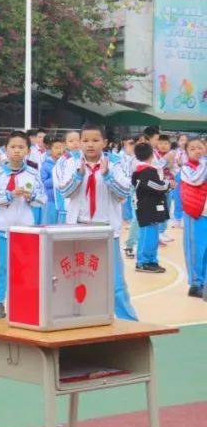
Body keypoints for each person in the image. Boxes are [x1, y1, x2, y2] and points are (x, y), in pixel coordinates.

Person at [55, 124, 137, 320]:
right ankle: (82, 320)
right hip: (78, 228)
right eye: (85, 140)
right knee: (78, 277)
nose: (90, 145)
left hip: (106, 230)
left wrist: (108, 175)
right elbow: (65, 192)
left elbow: (124, 193)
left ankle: (129, 323)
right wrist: (79, 175)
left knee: (115, 282)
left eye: (95, 140)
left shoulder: (116, 162)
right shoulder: (70, 162)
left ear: (105, 142)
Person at [0, 132, 45, 319]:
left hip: (25, 229)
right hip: (3, 228)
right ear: (6, 149)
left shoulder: (33, 173)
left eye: (21, 147)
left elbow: (43, 199)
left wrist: (31, 197)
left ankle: (24, 301)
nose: (17, 151)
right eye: (13, 147)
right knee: (1, 266)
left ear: (28, 150)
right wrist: (9, 195)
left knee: (25, 267)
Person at [131, 142, 170, 274]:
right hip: (148, 209)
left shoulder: (141, 170)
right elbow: (157, 186)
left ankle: (151, 260)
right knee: (147, 236)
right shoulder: (146, 171)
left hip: (149, 209)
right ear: (151, 154)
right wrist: (168, 184)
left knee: (151, 236)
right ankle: (143, 262)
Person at [179, 136, 206, 297]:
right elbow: (196, 180)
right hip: (195, 213)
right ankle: (195, 284)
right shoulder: (186, 168)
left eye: (200, 147)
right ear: (186, 152)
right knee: (195, 250)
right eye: (193, 148)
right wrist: (204, 162)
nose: (197, 151)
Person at [39, 135, 65, 225]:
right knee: (49, 224)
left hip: (63, 200)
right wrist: (56, 179)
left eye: (61, 147)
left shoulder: (66, 163)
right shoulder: (46, 165)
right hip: (50, 200)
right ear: (51, 149)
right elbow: (43, 182)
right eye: (57, 148)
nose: (59, 150)